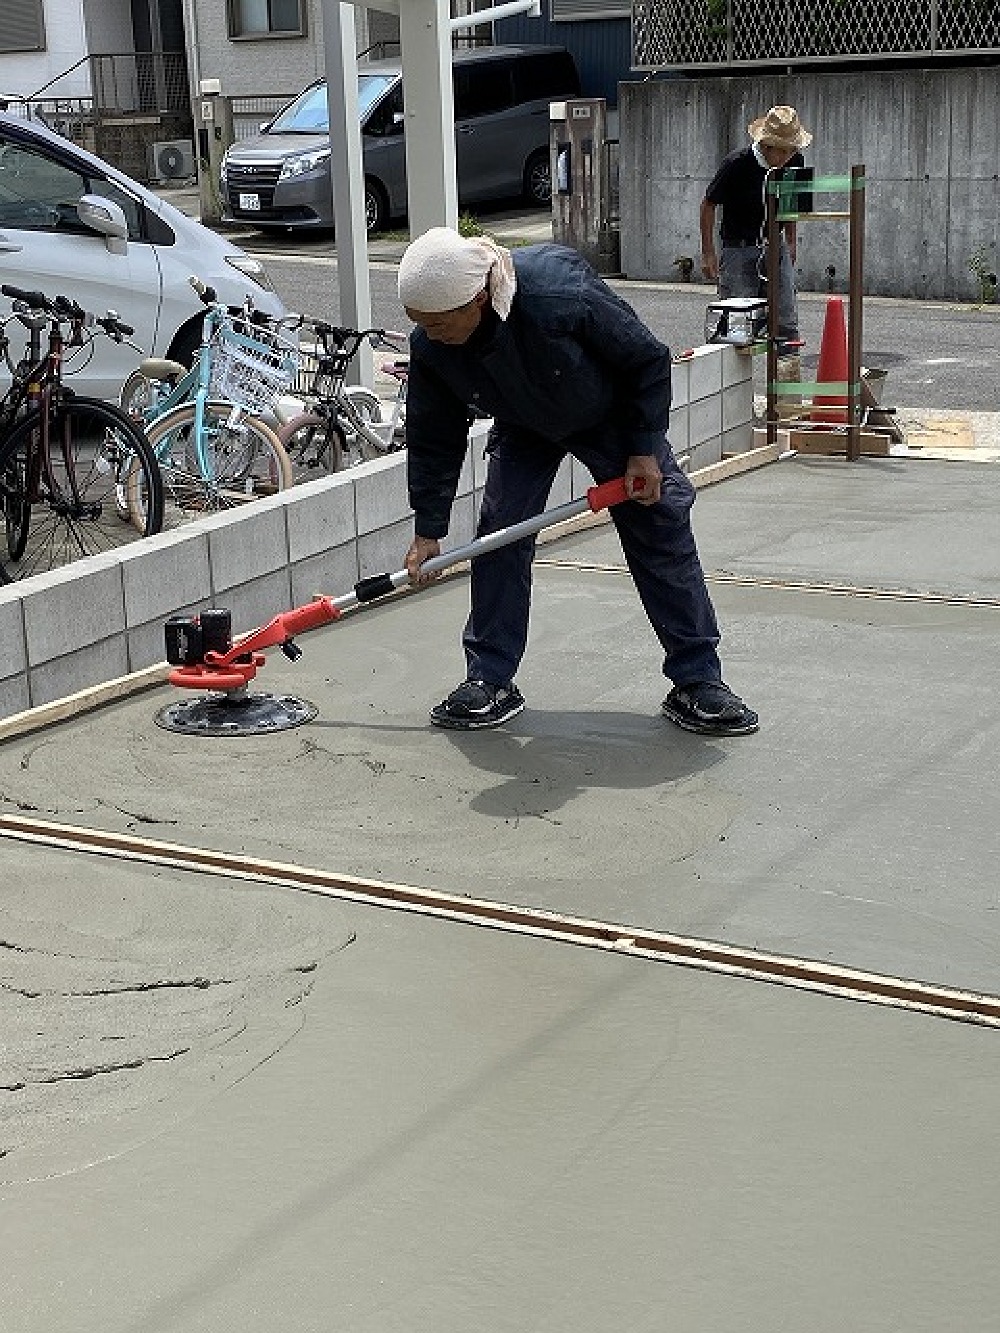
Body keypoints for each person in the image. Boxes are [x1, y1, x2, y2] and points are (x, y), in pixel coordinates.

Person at [397, 225, 758, 737]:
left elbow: (647, 359)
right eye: (419, 325)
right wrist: (428, 527)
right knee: (500, 536)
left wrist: (642, 448)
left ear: (477, 297)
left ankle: (698, 680)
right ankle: (490, 680)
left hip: (611, 415)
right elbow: (435, 437)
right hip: (524, 422)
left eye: (438, 323)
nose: (429, 336)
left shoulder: (557, 296)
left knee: (659, 530)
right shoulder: (433, 347)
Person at [700, 105, 812, 355]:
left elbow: (790, 203)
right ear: (766, 145)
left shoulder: (795, 161)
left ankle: (785, 391)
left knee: (786, 325)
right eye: (782, 150)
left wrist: (791, 241)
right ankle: (732, 390)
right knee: (736, 328)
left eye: (792, 149)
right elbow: (708, 204)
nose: (787, 156)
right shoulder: (737, 164)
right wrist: (708, 252)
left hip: (774, 246)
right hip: (739, 248)